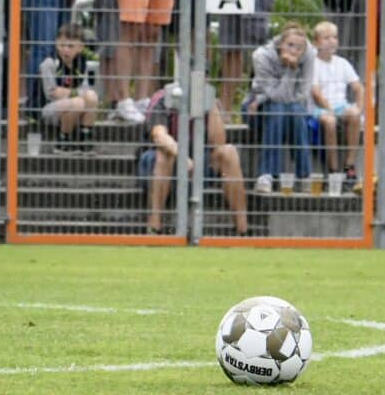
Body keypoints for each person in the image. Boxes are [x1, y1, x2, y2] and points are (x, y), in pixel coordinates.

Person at [141, 81, 248, 236]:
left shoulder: (208, 99)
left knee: (229, 152)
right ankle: (154, 227)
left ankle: (242, 231)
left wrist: (210, 105)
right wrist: (182, 157)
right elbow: (159, 136)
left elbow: (218, 143)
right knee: (165, 154)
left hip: (197, 162)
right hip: (158, 163)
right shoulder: (163, 97)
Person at [248, 22, 318, 194]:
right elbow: (274, 96)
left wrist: (291, 70)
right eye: (290, 45)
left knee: (292, 110)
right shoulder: (261, 56)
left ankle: (303, 176)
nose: (294, 51)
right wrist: (291, 71)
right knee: (278, 109)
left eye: (299, 48)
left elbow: (304, 93)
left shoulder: (309, 55)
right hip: (257, 107)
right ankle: (267, 176)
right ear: (280, 44)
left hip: (292, 108)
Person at [309, 20, 364, 194]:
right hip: (320, 108)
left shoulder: (342, 63)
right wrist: (330, 109)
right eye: (326, 38)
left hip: (340, 105)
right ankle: (333, 169)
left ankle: (349, 166)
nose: (332, 41)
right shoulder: (312, 64)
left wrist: (359, 107)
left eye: (334, 37)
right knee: (330, 121)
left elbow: (358, 87)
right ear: (316, 42)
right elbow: (316, 93)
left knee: (354, 115)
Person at [36, 22, 102, 150]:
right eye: (62, 45)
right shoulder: (50, 63)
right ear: (56, 43)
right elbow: (51, 92)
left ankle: (85, 137)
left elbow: (90, 91)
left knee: (92, 96)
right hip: (49, 110)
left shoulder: (83, 64)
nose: (65, 49)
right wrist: (76, 94)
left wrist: (76, 94)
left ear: (81, 47)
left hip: (75, 106)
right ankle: (63, 140)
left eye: (71, 46)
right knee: (79, 102)